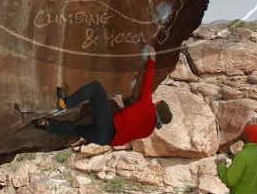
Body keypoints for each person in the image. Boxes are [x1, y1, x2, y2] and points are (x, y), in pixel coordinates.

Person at [34, 50, 172, 146]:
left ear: (158, 106)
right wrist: (121, 106)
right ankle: (48, 125)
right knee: (77, 130)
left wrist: (152, 60)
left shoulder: (148, 105)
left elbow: (148, 80)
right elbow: (129, 125)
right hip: (104, 140)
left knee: (96, 88)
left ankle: (65, 103)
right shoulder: (148, 132)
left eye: (157, 103)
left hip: (108, 127)